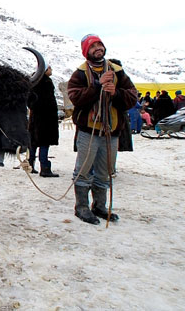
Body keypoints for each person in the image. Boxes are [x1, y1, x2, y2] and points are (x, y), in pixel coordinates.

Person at [67, 34, 137, 225]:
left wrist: (116, 93)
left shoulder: (117, 71)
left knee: (104, 171)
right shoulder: (80, 74)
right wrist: (97, 86)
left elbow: (132, 96)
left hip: (111, 131)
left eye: (100, 45)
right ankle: (81, 207)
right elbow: (75, 97)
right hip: (88, 132)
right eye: (93, 46)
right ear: (86, 51)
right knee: (83, 170)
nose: (98, 48)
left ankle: (99, 206)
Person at [27, 65, 59, 177]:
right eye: (50, 68)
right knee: (44, 143)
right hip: (46, 119)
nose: (51, 70)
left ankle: (30, 165)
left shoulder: (34, 82)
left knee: (34, 143)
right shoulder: (45, 82)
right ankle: (45, 168)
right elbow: (48, 101)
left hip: (35, 118)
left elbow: (30, 101)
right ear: (45, 70)